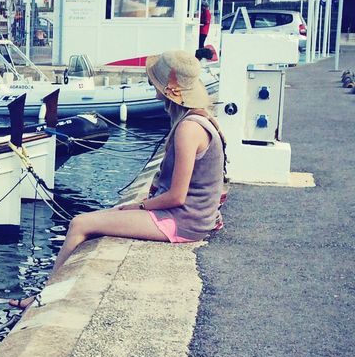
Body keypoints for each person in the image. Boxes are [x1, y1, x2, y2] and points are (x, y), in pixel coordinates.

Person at [14, 50, 225, 309]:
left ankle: (43, 298)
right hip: (195, 218)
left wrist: (138, 206)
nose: (152, 86)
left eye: (154, 82)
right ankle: (49, 293)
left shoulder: (187, 129)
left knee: (80, 224)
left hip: (182, 221)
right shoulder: (201, 120)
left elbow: (177, 196)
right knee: (99, 220)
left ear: (167, 90)